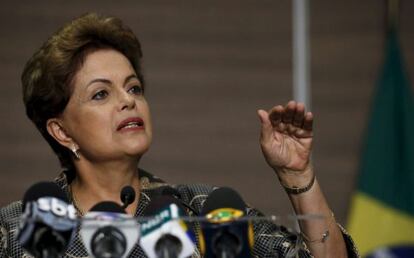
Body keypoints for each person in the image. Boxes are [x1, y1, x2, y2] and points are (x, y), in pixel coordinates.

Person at [0, 13, 359, 258]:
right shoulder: (18, 230)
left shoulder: (204, 211)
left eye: (134, 88)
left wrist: (298, 176)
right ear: (61, 131)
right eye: (101, 94)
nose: (128, 101)